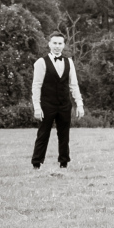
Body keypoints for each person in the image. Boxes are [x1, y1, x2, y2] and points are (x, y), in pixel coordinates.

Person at [30, 33, 84, 170]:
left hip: (65, 104)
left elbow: (74, 85)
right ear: (49, 44)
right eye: (54, 43)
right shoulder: (41, 62)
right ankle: (36, 163)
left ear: (63, 45)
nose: (57, 46)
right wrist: (37, 107)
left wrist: (79, 104)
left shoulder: (69, 62)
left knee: (64, 135)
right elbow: (36, 86)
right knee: (43, 134)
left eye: (60, 43)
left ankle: (64, 163)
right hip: (47, 104)